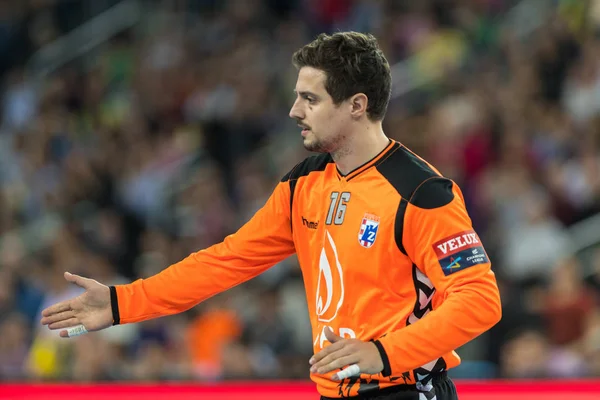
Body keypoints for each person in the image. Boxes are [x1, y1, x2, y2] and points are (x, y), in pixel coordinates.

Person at [41, 32, 502, 400]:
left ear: (357, 105)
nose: (294, 111)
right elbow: (226, 261)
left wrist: (383, 352)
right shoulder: (305, 183)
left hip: (406, 389)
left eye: (310, 99)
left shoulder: (420, 191)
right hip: (335, 391)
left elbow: (480, 300)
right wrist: (124, 303)